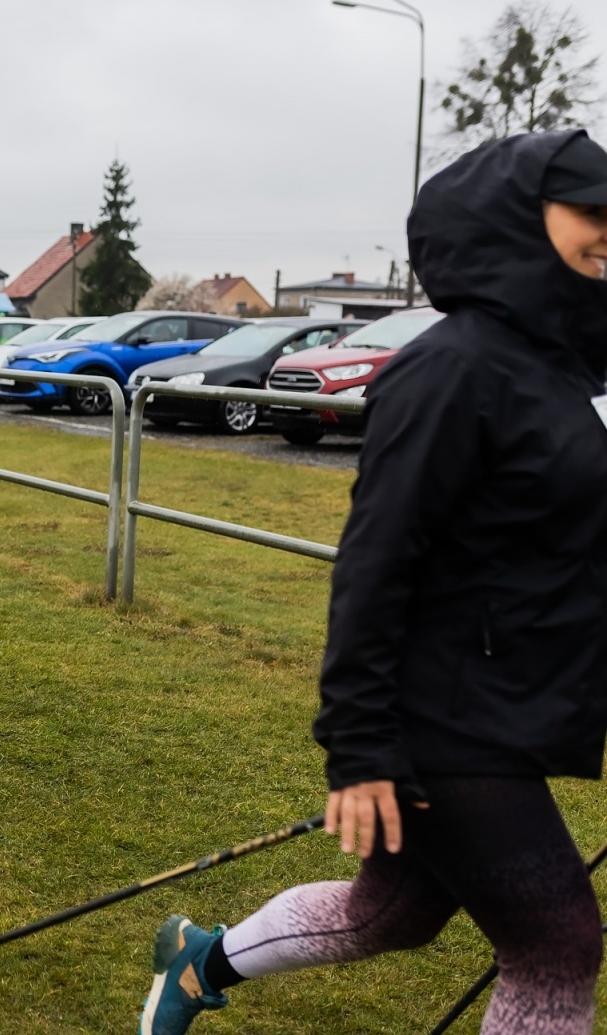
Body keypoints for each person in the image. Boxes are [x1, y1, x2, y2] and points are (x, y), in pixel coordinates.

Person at [136, 130, 607, 1035]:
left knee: (391, 913)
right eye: (588, 212)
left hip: (504, 699)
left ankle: (200, 960)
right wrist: (359, 749)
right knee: (556, 943)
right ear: (518, 217)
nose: (605, 232)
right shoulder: (452, 368)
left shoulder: (558, 369)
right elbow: (376, 564)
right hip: (444, 719)